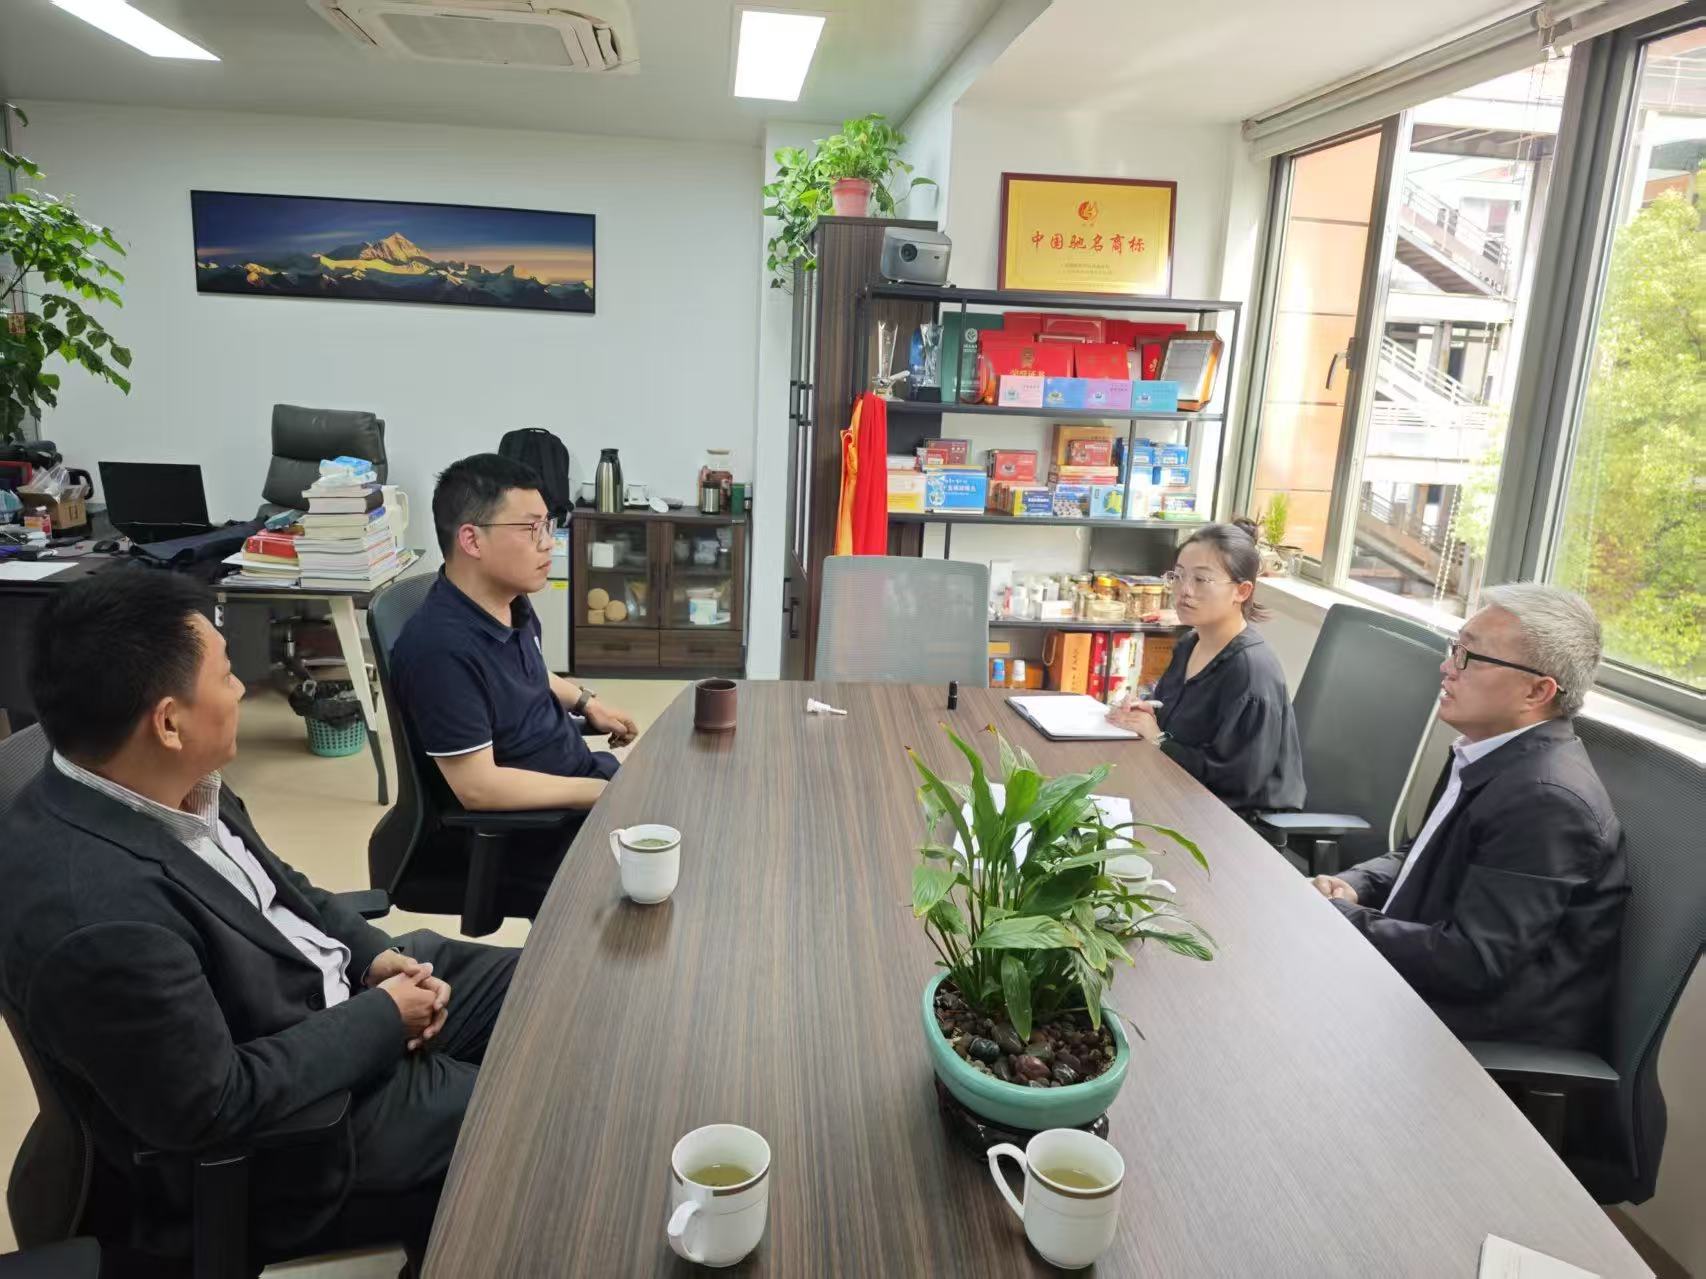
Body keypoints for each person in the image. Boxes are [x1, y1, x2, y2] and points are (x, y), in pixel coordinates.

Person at [0, 568, 518, 1267]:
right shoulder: (99, 920)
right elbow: (216, 1101)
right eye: (226, 675)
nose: (243, 689)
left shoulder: (166, 782)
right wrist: (383, 1019)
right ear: (169, 722)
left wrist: (371, 954)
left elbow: (280, 890)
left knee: (540, 986)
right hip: (313, 1124)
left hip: (332, 991)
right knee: (531, 1118)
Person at [1312, 583, 1627, 1050]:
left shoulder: (1546, 802)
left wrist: (1343, 919)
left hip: (1477, 1032)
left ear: (1537, 690)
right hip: (1422, 984)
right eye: (1454, 648)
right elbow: (1421, 854)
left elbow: (1473, 962)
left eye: (1470, 657)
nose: (1446, 667)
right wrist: (1356, 884)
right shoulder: (1485, 752)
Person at [392, 453, 639, 814]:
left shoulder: (509, 602)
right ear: (472, 540)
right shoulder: (439, 651)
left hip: (578, 772)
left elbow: (525, 673)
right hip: (542, 822)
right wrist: (606, 794)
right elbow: (479, 788)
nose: (548, 543)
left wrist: (587, 703)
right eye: (530, 529)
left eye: (547, 526)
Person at [1107, 522, 1304, 814]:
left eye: (1201, 579)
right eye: (1178, 576)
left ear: (1242, 591)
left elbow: (1238, 782)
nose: (1184, 591)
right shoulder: (1190, 644)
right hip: (1179, 791)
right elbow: (1180, 723)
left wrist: (1158, 739)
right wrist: (1147, 712)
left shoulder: (1250, 672)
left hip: (1235, 822)